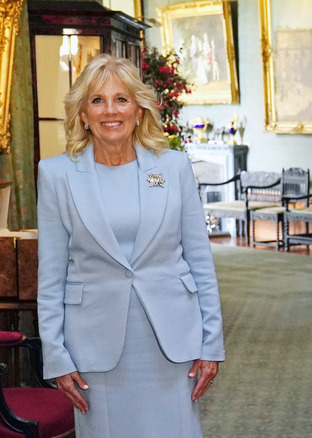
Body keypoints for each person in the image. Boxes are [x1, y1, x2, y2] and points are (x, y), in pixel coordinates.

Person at [37, 54, 225, 437]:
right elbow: (51, 275)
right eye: (97, 100)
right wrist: (56, 357)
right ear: (83, 114)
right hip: (94, 347)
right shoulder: (56, 175)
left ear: (139, 110)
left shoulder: (172, 167)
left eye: (121, 99)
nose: (110, 110)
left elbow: (201, 262)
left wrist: (212, 344)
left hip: (172, 343)